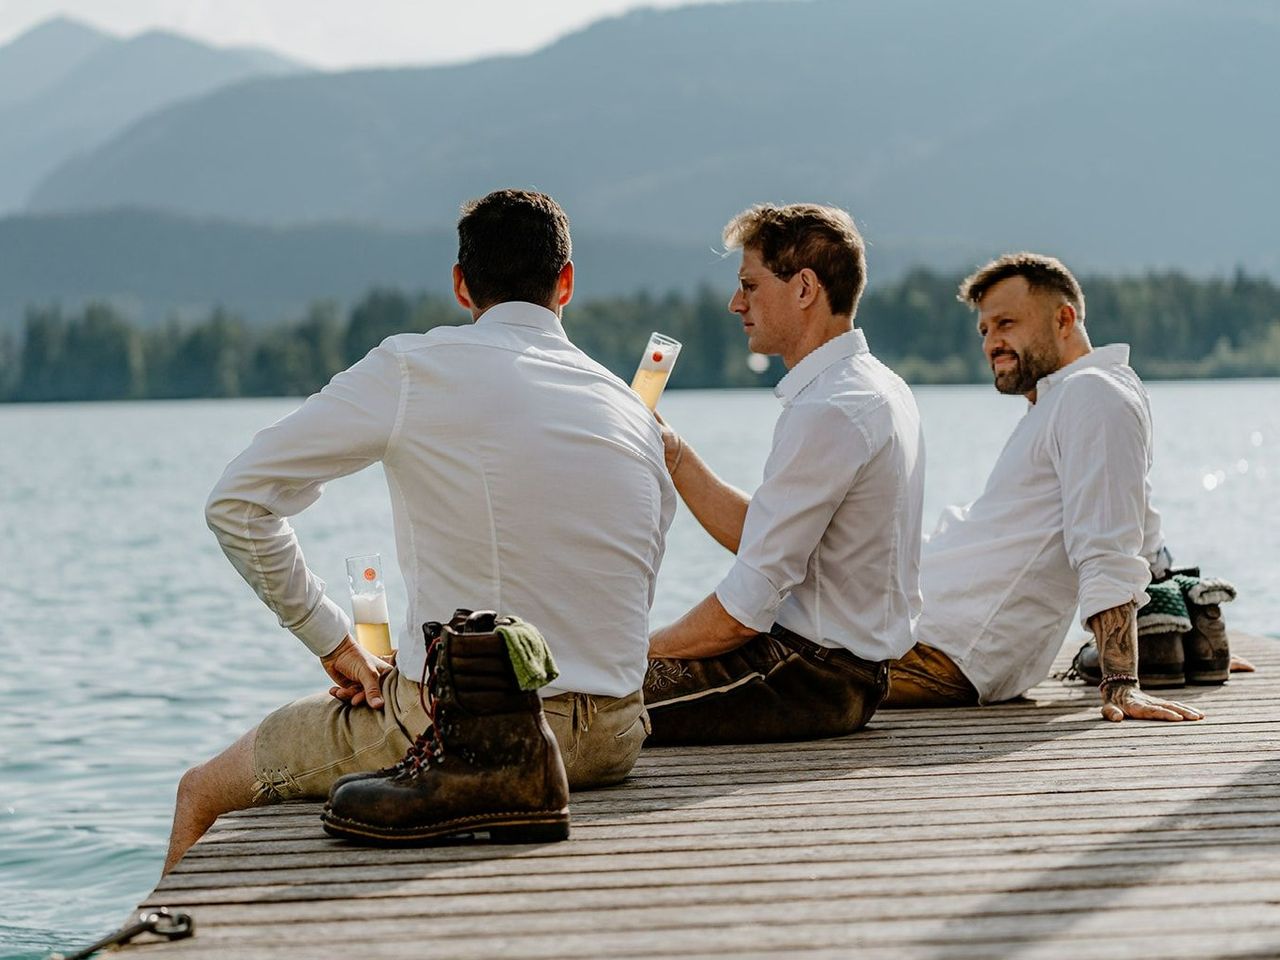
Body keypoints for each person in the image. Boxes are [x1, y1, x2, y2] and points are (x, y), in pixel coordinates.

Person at [164, 190, 675, 870]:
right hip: (615, 734)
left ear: (462, 285)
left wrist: (333, 641)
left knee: (201, 791)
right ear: (567, 283)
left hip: (468, 733)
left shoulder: (414, 368)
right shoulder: (627, 402)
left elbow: (237, 501)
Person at [643, 203, 924, 744]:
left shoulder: (832, 408)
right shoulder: (874, 387)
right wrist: (673, 453)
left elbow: (743, 611)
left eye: (749, 285)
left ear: (804, 289)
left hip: (806, 674)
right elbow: (771, 538)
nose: (735, 303)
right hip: (844, 673)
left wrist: (635, 651)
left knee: (592, 698)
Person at [885, 252, 1204, 723]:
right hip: (917, 634)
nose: (992, 342)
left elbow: (1109, 544)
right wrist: (1195, 639)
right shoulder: (1067, 399)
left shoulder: (1093, 395)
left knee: (745, 660)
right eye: (985, 331)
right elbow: (1142, 525)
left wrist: (1121, 683)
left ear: (1064, 318)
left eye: (1006, 323)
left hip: (941, 650)